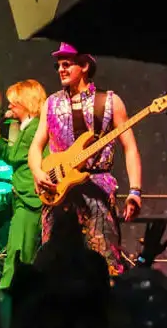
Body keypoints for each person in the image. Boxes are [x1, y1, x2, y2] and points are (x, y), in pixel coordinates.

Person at [27, 43, 142, 276]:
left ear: (85, 66)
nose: (61, 70)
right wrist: (38, 173)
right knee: (55, 267)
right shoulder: (51, 103)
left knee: (105, 264)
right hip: (58, 193)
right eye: (58, 65)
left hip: (97, 193)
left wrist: (135, 191)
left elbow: (130, 148)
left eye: (67, 64)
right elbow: (35, 148)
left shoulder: (109, 102)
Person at [0, 79, 48, 291]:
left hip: (30, 198)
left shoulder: (33, 129)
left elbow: (14, 156)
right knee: (21, 251)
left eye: (14, 102)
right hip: (26, 197)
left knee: (18, 252)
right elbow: (17, 157)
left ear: (26, 103)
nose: (9, 106)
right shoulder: (29, 128)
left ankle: (8, 295)